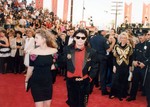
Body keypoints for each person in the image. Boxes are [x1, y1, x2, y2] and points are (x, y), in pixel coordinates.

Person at [63, 29, 99, 107]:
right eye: (78, 37)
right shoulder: (67, 49)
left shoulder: (92, 52)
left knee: (82, 104)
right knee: (72, 103)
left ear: (86, 39)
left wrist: (89, 78)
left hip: (84, 81)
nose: (80, 40)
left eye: (83, 38)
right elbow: (62, 63)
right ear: (74, 38)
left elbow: (95, 66)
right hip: (71, 81)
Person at [25, 28, 58, 107]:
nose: (35, 40)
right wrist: (26, 81)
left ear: (43, 39)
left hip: (48, 82)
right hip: (36, 82)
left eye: (36, 38)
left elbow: (58, 63)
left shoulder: (54, 51)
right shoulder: (33, 52)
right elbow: (30, 68)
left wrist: (54, 65)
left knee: (47, 105)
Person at [126, 30, 149, 102]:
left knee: (146, 84)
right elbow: (133, 55)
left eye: (142, 35)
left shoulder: (149, 45)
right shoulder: (137, 45)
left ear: (146, 36)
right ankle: (132, 96)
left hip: (145, 67)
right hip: (137, 66)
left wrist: (145, 63)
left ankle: (148, 99)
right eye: (139, 36)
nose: (140, 37)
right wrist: (133, 61)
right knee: (134, 82)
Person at [109, 32, 133, 101]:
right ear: (119, 38)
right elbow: (114, 57)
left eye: (125, 38)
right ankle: (113, 93)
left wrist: (130, 66)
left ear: (127, 38)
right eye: (122, 38)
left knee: (124, 80)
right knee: (115, 80)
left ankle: (122, 94)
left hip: (126, 66)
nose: (123, 39)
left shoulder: (129, 46)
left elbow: (131, 57)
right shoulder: (116, 46)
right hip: (117, 65)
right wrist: (114, 66)